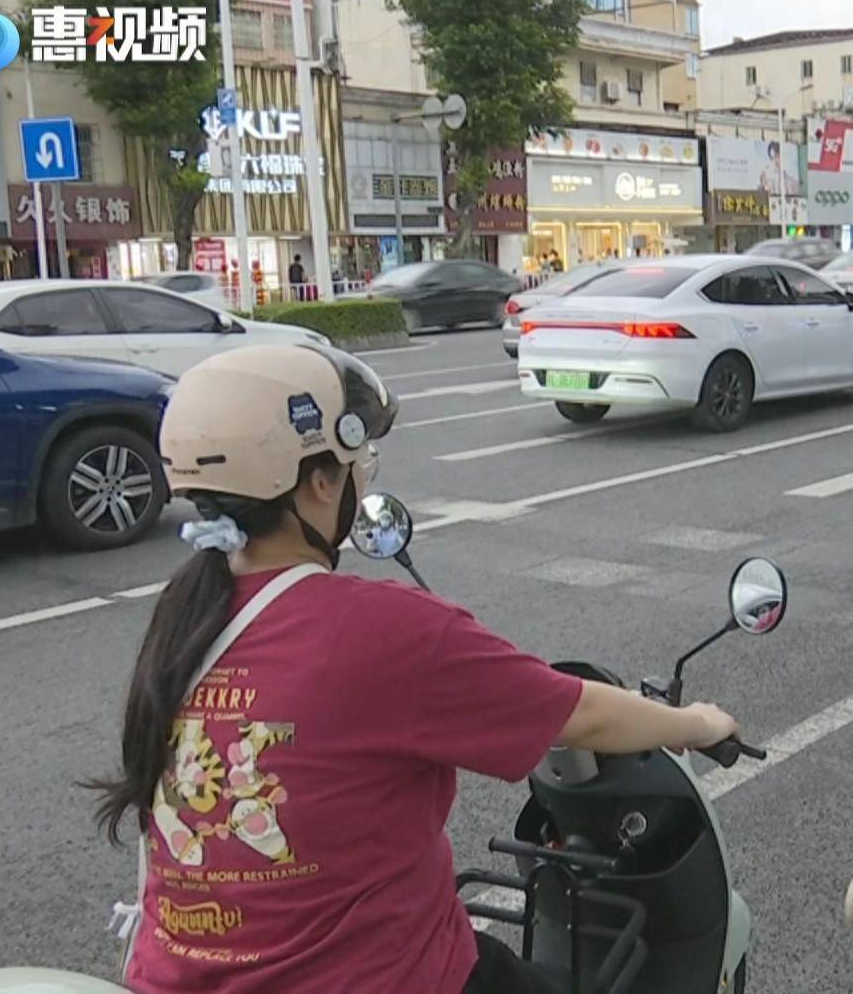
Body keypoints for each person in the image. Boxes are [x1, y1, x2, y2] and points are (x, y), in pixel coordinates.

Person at [94, 344, 739, 993]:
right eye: (357, 463)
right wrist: (692, 721)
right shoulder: (383, 628)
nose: (363, 478)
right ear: (320, 483)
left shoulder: (184, 618)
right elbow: (579, 714)